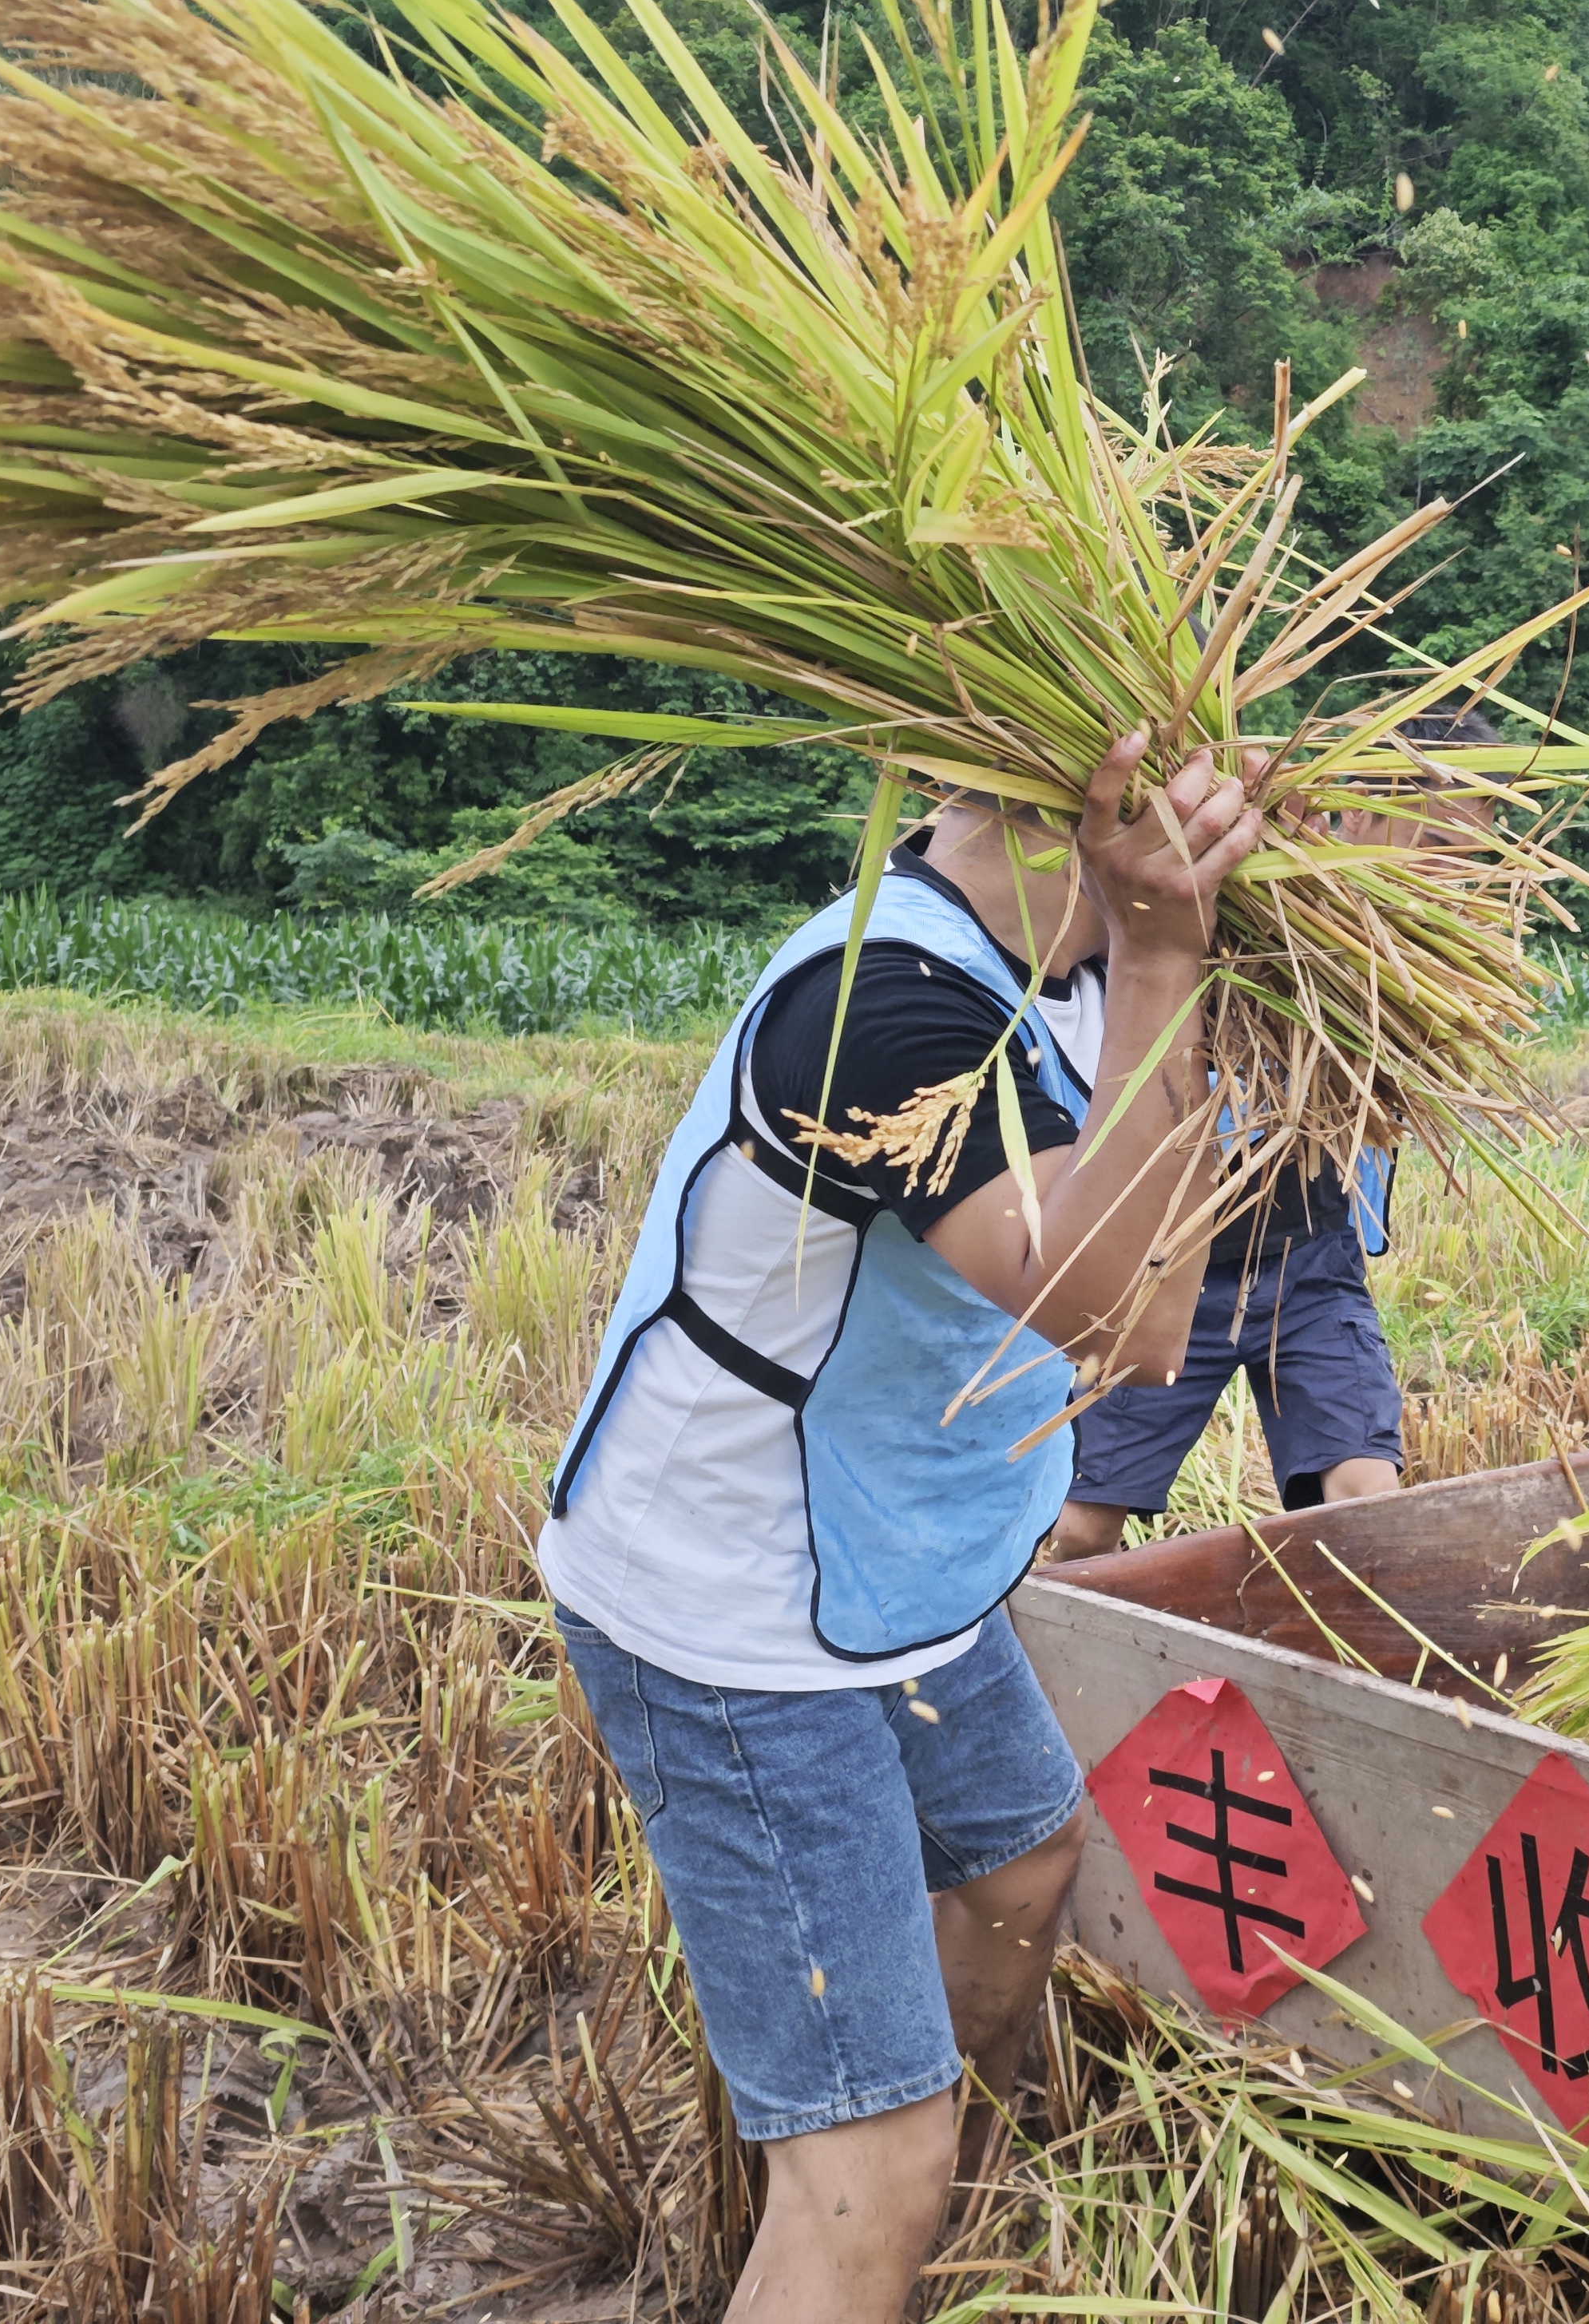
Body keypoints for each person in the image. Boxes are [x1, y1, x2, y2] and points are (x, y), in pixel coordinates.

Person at [540, 733, 1266, 2322]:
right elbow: (1124, 1325)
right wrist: (1161, 959)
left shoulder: (1064, 957)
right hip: (731, 1600)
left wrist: (1166, 956)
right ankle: (867, 2214)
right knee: (865, 2169)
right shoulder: (880, 1012)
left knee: (1022, 1859)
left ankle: (945, 2212)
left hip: (894, 1559)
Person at [1043, 707, 1510, 1556]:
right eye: (1442, 847)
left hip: (1308, 1258)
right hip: (1172, 1263)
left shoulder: (1408, 956)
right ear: (1364, 809)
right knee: (1079, 1526)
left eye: (1473, 855)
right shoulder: (1245, 896)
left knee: (1365, 1497)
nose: (1457, 875)